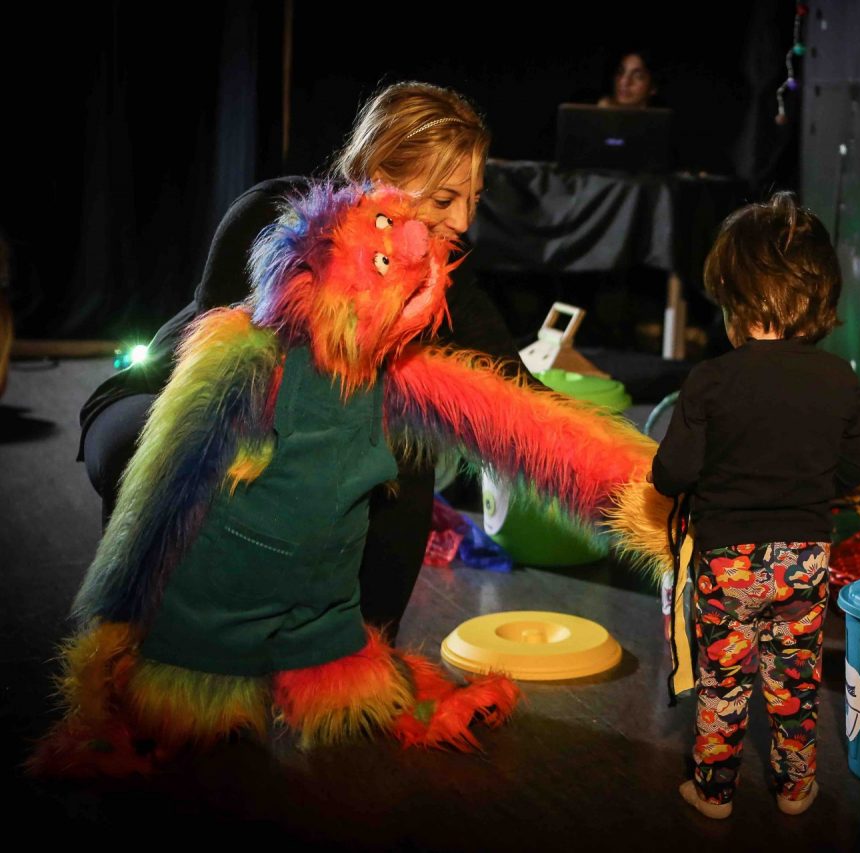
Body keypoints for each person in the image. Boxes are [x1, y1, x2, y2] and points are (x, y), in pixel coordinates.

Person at [78, 81, 525, 636]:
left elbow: (519, 389)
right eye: (443, 200)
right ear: (382, 171)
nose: (461, 222)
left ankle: (356, 676)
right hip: (173, 397)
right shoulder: (273, 214)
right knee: (171, 450)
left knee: (405, 459)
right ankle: (136, 663)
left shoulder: (442, 272)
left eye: (473, 200)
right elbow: (220, 381)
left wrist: (642, 481)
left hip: (306, 428)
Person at [651, 192, 860, 819]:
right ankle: (797, 788)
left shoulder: (710, 381)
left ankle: (715, 792)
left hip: (728, 563)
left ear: (736, 301)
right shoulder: (843, 381)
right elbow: (853, 472)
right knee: (795, 680)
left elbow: (673, 474)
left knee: (726, 681)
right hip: (805, 559)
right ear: (820, 297)